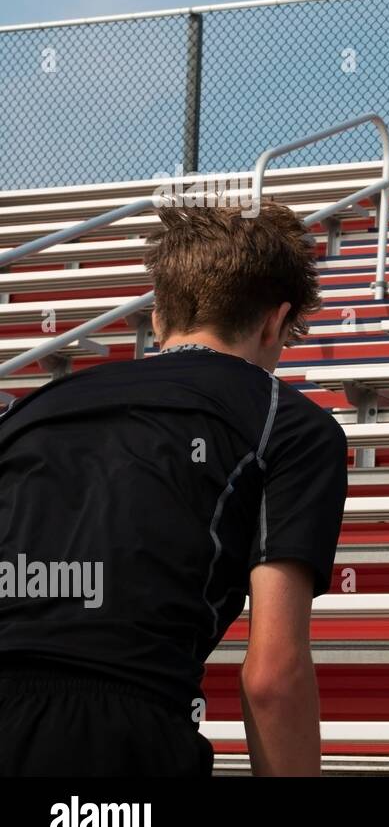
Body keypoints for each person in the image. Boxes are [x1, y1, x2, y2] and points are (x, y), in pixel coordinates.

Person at [0, 202, 348, 776]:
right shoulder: (287, 422)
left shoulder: (32, 409)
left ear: (159, 317)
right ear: (274, 322)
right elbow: (271, 678)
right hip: (114, 734)